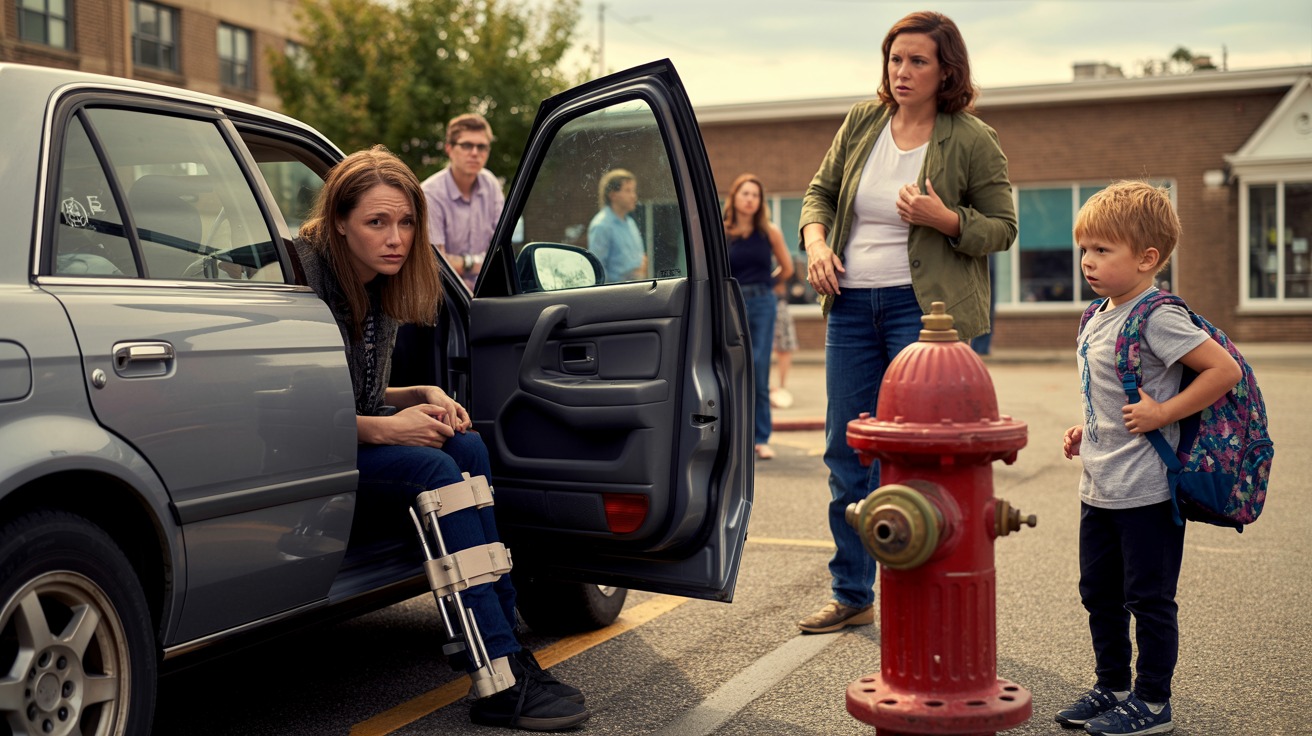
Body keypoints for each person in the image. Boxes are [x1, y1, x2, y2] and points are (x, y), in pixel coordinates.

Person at [295, 145, 588, 731]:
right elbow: (290, 416)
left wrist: (418, 393)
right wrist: (386, 426)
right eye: (376, 222)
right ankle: (496, 674)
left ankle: (505, 653)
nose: (395, 237)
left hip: (349, 439)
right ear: (339, 222)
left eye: (406, 222)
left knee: (469, 447)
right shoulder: (305, 283)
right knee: (434, 471)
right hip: (303, 456)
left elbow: (356, 396)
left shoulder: (378, 283)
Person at [795, 11, 1017, 634]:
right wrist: (816, 245)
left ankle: (927, 592)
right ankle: (852, 590)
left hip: (926, 316)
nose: (902, 72)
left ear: (947, 69)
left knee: (923, 457)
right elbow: (820, 192)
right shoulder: (862, 122)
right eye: (895, 59)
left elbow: (1003, 228)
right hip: (851, 307)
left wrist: (943, 218)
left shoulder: (971, 137)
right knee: (848, 451)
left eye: (918, 61)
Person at [1056, 181, 1241, 735]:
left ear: (1146, 258)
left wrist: (1165, 413)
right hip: (1100, 485)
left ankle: (1153, 701)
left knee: (1149, 599)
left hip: (1149, 490)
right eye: (1084, 248)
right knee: (1099, 594)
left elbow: (1223, 371)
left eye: (1102, 250)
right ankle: (1112, 686)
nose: (1087, 260)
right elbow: (1109, 393)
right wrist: (1084, 429)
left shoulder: (1157, 315)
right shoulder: (1095, 314)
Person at [723, 173, 794, 460]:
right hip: (731, 303)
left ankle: (760, 437)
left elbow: (787, 269)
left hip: (763, 303)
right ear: (735, 197)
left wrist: (767, 286)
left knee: (759, 367)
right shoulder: (721, 231)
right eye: (745, 193)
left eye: (755, 195)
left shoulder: (769, 231)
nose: (750, 199)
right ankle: (733, 438)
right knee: (731, 367)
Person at [421, 113, 505, 292]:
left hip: (489, 291)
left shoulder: (491, 184)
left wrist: (463, 263)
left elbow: (501, 251)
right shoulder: (430, 193)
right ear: (449, 149)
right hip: (447, 296)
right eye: (467, 145)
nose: (475, 153)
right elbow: (436, 265)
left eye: (481, 146)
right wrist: (479, 263)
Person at [588, 168, 647, 282]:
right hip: (617, 296)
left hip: (637, 291)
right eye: (628, 190)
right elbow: (598, 271)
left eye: (633, 190)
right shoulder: (601, 226)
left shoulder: (630, 222)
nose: (634, 196)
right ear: (613, 195)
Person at [769, 275, 799, 410]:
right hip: (773, 301)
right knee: (765, 348)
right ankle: (772, 388)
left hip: (775, 301)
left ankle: (778, 388)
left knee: (782, 348)